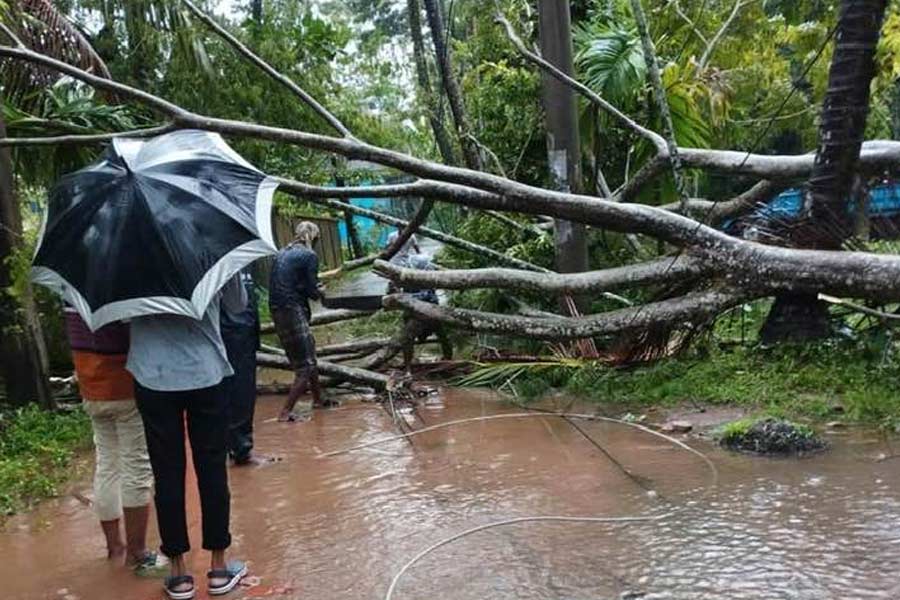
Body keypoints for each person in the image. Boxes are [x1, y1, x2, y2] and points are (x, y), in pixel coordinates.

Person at [127, 275, 248, 600]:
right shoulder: (211, 250)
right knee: (212, 469)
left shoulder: (130, 257)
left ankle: (179, 573)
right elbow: (238, 306)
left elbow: (122, 315)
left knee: (166, 473)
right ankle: (219, 568)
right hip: (205, 371)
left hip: (153, 375)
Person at [63, 306, 162, 574]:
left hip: (90, 385)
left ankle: (115, 546)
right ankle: (137, 552)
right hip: (125, 386)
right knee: (136, 467)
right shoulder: (120, 287)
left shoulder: (72, 286)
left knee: (107, 464)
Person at [269, 221, 330, 422]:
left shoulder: (281, 253)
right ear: (314, 237)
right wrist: (320, 291)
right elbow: (312, 292)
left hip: (278, 310)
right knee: (305, 366)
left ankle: (318, 398)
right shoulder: (309, 255)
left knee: (309, 354)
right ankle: (285, 412)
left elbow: (295, 284)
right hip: (292, 309)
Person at [220, 269, 271, 466]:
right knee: (239, 392)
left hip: (245, 333)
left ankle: (237, 447)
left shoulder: (243, 260)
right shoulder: (219, 260)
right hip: (232, 333)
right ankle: (241, 449)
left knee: (245, 393)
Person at [394, 253, 453, 372]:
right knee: (407, 337)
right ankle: (408, 367)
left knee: (442, 335)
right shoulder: (406, 277)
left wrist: (405, 296)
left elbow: (427, 295)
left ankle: (448, 361)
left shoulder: (427, 275)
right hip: (413, 311)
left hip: (428, 311)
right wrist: (395, 290)